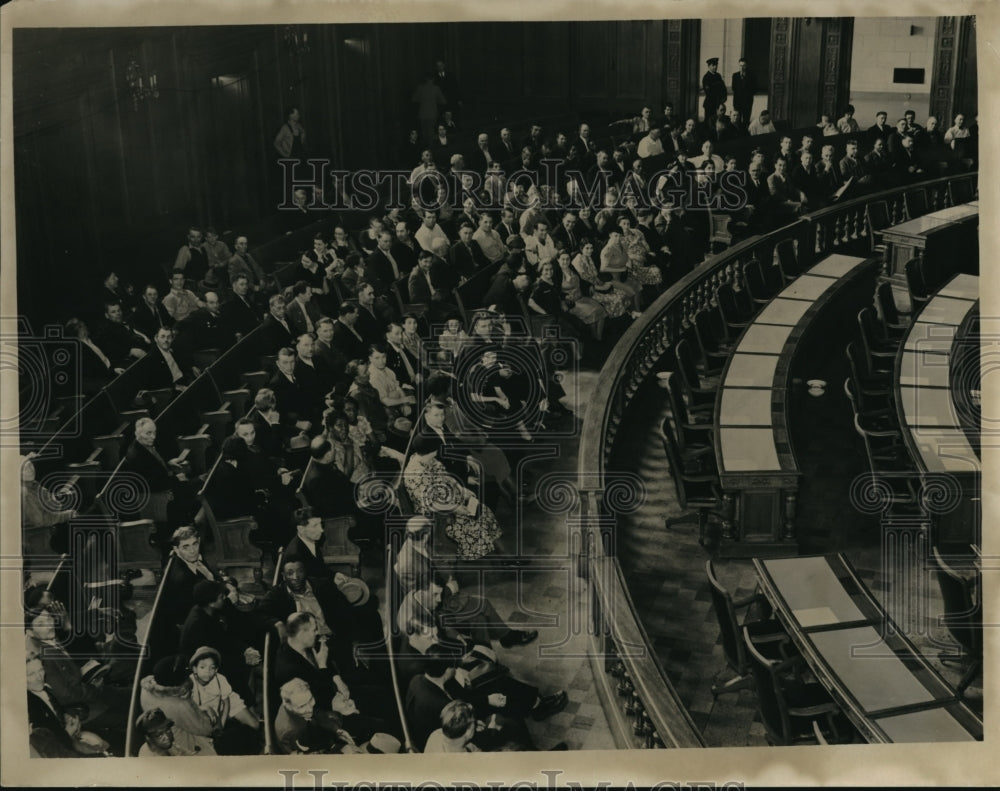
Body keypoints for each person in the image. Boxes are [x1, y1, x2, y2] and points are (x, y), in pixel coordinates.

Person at [404, 434, 502, 561]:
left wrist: (462, 489)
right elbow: (430, 504)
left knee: (483, 511)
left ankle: (497, 550)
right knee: (473, 524)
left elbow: (446, 476)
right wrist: (456, 508)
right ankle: (494, 556)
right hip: (439, 514)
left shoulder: (427, 459)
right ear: (433, 450)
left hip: (450, 499)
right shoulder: (416, 474)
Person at [274, 678, 358, 755]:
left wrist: (336, 730)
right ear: (289, 706)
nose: (310, 708)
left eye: (311, 700)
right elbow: (312, 759)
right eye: (302, 706)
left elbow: (316, 713)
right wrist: (342, 752)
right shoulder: (293, 732)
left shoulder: (298, 702)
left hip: (316, 733)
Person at [136, 707, 216, 757]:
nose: (167, 737)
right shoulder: (149, 756)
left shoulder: (168, 745)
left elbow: (186, 755)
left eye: (167, 730)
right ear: (148, 738)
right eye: (159, 735)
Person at [412, 72, 446, 145]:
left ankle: (425, 149)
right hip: (432, 113)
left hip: (422, 114)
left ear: (425, 79)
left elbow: (414, 99)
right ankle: (431, 149)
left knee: (424, 133)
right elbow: (443, 101)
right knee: (431, 133)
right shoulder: (436, 88)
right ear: (433, 79)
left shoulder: (420, 87)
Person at [731, 58, 755, 123]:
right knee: (737, 120)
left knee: (746, 120)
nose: (742, 67)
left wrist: (748, 94)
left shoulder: (751, 76)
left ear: (746, 66)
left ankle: (745, 132)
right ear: (738, 66)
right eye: (740, 65)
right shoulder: (735, 76)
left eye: (743, 65)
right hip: (737, 102)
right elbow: (733, 88)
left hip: (747, 102)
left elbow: (755, 88)